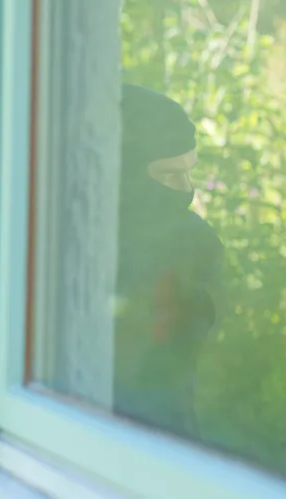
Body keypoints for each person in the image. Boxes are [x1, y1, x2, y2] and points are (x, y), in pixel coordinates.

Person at [113, 84, 223, 439]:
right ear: (123, 171)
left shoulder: (195, 244)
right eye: (169, 175)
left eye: (189, 172)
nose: (186, 190)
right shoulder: (71, 248)